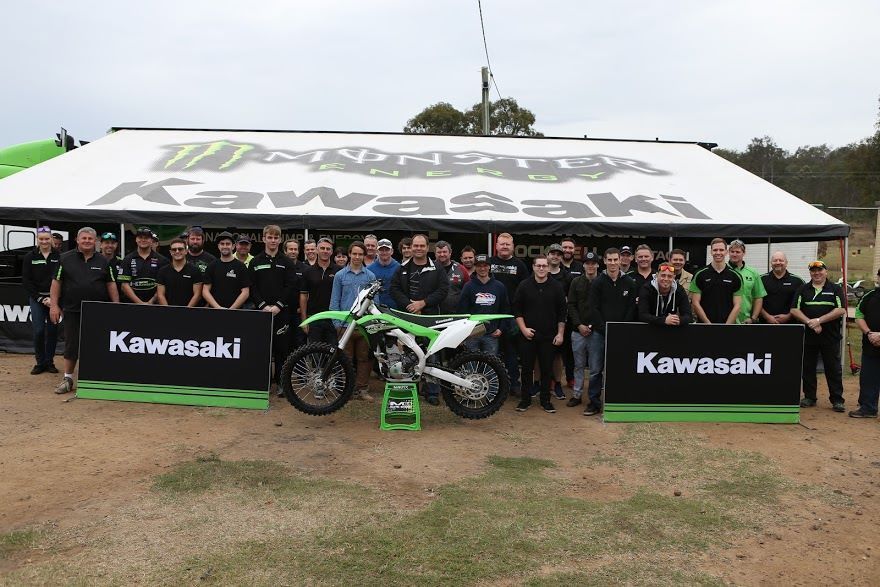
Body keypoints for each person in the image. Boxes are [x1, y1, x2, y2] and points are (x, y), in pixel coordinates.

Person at [49, 227, 119, 394]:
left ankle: (96, 379)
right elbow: (56, 283)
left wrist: (116, 306)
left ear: (95, 241)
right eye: (84, 238)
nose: (87, 241)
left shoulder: (103, 260)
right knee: (71, 343)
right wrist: (54, 305)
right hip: (72, 309)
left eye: (90, 239)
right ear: (77, 240)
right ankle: (68, 378)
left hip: (97, 311)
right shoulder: (65, 258)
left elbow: (111, 284)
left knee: (98, 344)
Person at [390, 234, 449, 405]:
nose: (418, 249)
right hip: (408, 317)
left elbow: (443, 290)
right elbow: (394, 289)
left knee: (432, 355)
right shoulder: (402, 268)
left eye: (422, 246)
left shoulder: (437, 268)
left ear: (427, 247)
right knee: (410, 354)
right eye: (415, 245)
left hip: (430, 318)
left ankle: (432, 392)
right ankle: (412, 388)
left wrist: (423, 303)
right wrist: (409, 305)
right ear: (412, 247)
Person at [585, 248, 637, 416]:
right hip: (599, 334)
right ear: (605, 261)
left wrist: (621, 328)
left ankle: (617, 402)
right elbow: (593, 308)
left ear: (620, 260)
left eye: (616, 260)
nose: (613, 263)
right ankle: (594, 402)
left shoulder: (629, 282)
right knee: (595, 370)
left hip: (620, 334)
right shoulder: (598, 282)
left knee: (618, 370)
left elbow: (631, 308)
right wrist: (604, 328)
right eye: (610, 260)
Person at [512, 255, 566, 414]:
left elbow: (562, 312)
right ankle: (525, 400)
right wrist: (523, 329)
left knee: (547, 369)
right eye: (538, 266)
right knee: (527, 369)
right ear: (533, 267)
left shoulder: (556, 287)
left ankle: (545, 401)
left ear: (549, 268)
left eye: (544, 266)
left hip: (549, 336)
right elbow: (517, 310)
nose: (541, 268)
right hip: (527, 335)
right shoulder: (524, 285)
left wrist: (560, 333)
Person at [790, 260, 846, 412]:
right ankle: (809, 397)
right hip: (808, 336)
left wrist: (819, 320)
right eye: (813, 271)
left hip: (830, 337)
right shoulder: (803, 289)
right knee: (808, 368)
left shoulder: (835, 289)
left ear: (825, 272)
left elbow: (841, 310)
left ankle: (837, 399)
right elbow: (794, 310)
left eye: (820, 270)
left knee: (833, 369)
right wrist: (810, 322)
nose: (817, 273)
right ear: (810, 273)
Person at [250, 225, 299, 390]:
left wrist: (278, 305)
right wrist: (262, 305)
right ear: (263, 238)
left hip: (282, 312)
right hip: (261, 313)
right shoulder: (255, 261)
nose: (272, 240)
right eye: (269, 237)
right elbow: (252, 287)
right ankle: (264, 383)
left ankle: (281, 383)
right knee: (263, 348)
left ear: (280, 240)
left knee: (282, 349)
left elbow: (290, 286)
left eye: (275, 237)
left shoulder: (286, 262)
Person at [330, 241, 376, 400]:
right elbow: (334, 301)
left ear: (364, 256)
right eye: (354, 253)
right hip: (345, 324)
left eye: (360, 254)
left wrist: (371, 322)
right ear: (349, 254)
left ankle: (362, 389)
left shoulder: (370, 276)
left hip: (363, 325)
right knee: (345, 358)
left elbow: (374, 302)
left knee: (364, 358)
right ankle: (346, 389)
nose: (357, 257)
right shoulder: (340, 275)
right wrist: (337, 324)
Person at [490, 232, 529, 396]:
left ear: (513, 247)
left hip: (512, 317)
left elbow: (526, 291)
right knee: (491, 353)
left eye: (508, 244)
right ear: (496, 246)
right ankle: (493, 385)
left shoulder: (520, 265)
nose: (504, 247)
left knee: (512, 352)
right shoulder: (489, 264)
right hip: (491, 316)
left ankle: (514, 384)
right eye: (502, 244)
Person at [22, 226, 60, 375]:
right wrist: (40, 298)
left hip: (54, 300)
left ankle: (49, 362)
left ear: (51, 239)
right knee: (38, 331)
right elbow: (26, 281)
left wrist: (53, 299)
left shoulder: (59, 256)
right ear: (37, 239)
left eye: (46, 238)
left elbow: (61, 278)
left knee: (52, 331)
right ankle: (40, 362)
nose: (44, 241)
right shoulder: (30, 256)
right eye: (41, 239)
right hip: (37, 299)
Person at [457, 254, 508, 354]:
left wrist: (501, 329)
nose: (482, 268)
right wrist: (464, 332)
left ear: (489, 267)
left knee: (490, 366)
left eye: (485, 265)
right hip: (472, 333)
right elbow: (462, 311)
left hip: (492, 334)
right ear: (475, 267)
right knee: (471, 366)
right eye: (479, 266)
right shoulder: (468, 286)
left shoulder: (499, 286)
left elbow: (505, 309)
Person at [690, 238, 743, 324]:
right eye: (715, 250)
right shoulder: (700, 274)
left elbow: (737, 305)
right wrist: (708, 325)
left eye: (721, 250)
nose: (718, 253)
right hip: (705, 327)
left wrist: (726, 326)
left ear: (726, 252)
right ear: (711, 252)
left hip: (728, 327)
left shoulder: (735, 276)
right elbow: (695, 303)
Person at [566, 254, 595, 407]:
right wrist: (579, 325)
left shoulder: (601, 282)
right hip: (578, 331)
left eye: (593, 263)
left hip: (596, 332)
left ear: (597, 265)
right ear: (583, 266)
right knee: (578, 365)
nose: (590, 266)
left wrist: (593, 326)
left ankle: (593, 397)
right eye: (587, 263)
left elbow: (602, 307)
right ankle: (577, 395)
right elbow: (571, 305)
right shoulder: (576, 281)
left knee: (596, 367)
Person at [300, 237, 339, 344]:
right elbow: (303, 296)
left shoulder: (339, 271)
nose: (325, 251)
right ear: (317, 249)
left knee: (333, 355)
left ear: (331, 251)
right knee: (315, 355)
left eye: (328, 249)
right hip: (314, 318)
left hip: (334, 319)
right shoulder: (308, 271)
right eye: (322, 248)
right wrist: (304, 320)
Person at [852, 270, 880, 418]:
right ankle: (868, 408)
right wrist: (869, 333)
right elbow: (858, 315)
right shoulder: (869, 296)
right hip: (871, 345)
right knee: (869, 378)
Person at [546, 243, 573, 399]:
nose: (555, 256)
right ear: (547, 255)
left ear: (562, 257)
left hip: (560, 322)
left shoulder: (567, 277)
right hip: (541, 320)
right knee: (539, 354)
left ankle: (557, 383)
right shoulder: (540, 271)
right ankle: (543, 382)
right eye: (552, 253)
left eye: (558, 254)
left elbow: (570, 300)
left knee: (557, 356)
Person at [119, 227, 168, 304]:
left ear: (152, 240)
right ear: (136, 239)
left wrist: (150, 302)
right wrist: (140, 303)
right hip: (132, 305)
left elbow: (164, 285)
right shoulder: (127, 259)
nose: (143, 240)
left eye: (146, 238)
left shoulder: (162, 260)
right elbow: (124, 285)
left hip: (155, 305)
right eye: (140, 237)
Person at [201, 232, 250, 309]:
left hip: (236, 313)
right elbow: (205, 291)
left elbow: (245, 292)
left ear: (233, 246)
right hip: (215, 312)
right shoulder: (212, 266)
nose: (225, 246)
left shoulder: (241, 267)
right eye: (222, 244)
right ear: (218, 246)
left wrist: (231, 309)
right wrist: (218, 308)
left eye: (228, 244)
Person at [727, 240, 766, 324]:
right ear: (728, 252)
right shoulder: (723, 270)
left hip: (744, 321)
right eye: (732, 251)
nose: (734, 254)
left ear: (744, 253)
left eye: (738, 252)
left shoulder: (753, 273)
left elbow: (758, 297)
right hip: (724, 320)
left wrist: (753, 318)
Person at [759, 251, 804, 324]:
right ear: (771, 263)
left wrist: (789, 316)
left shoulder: (797, 281)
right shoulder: (761, 279)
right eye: (775, 260)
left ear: (786, 263)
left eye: (781, 260)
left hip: (790, 325)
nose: (778, 262)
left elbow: (802, 302)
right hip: (765, 323)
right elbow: (755, 301)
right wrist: (767, 317)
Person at [157, 238, 203, 307]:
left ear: (186, 251)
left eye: (180, 249)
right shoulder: (163, 271)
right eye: (174, 249)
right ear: (170, 252)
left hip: (189, 313)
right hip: (168, 313)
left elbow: (197, 295)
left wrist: (185, 312)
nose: (177, 251)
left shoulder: (195, 270)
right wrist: (168, 311)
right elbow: (160, 295)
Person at [283, 238, 308, 349]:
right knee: (284, 342)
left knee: (299, 343)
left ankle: (298, 366)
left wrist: (302, 309)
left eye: (295, 249)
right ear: (285, 251)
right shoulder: (280, 267)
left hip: (298, 312)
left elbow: (308, 291)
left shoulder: (305, 269)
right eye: (290, 249)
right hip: (282, 311)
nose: (293, 251)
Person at [434, 240, 469, 314]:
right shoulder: (429, 269)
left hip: (455, 314)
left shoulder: (461, 269)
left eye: (444, 252)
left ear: (450, 252)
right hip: (433, 314)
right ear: (435, 254)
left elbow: (469, 291)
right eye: (439, 252)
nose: (442, 254)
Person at [367, 238, 400, 309]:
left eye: (387, 250)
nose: (384, 252)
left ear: (392, 251)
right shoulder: (369, 269)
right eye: (381, 250)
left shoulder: (399, 268)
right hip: (374, 308)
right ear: (376, 252)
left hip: (395, 308)